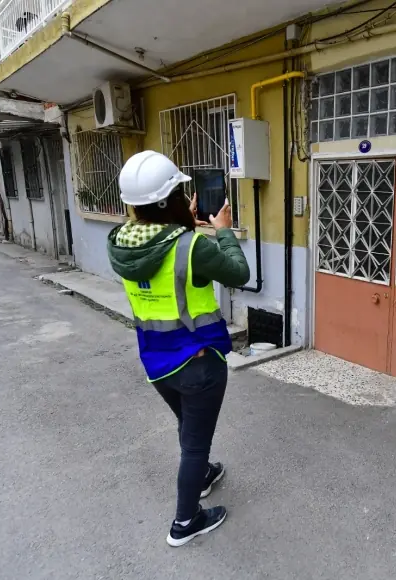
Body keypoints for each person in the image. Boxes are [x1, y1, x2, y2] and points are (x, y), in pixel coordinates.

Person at [107, 150, 250, 547]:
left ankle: (203, 475)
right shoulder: (190, 246)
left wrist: (181, 218)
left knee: (188, 428)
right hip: (198, 363)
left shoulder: (121, 242)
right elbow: (239, 273)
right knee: (194, 443)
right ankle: (185, 522)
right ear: (169, 200)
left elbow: (155, 238)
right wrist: (222, 230)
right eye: (180, 192)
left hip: (157, 363)